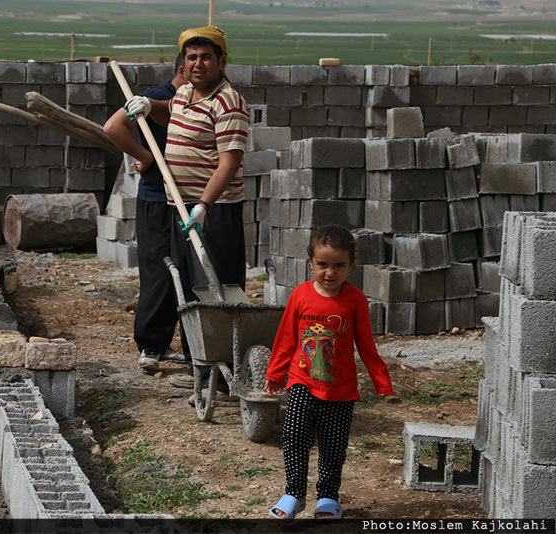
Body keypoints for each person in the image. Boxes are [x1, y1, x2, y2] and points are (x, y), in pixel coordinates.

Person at [124, 25, 250, 398]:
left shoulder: (229, 103)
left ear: (221, 62)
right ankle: (202, 372)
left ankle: (226, 380)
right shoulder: (184, 93)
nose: (197, 63)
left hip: (213, 214)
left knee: (215, 293)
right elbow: (172, 110)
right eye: (191, 57)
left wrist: (204, 206)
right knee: (190, 296)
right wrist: (150, 106)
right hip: (181, 210)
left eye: (206, 57)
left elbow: (229, 163)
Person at [265, 224, 394, 520]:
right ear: (311, 262)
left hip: (341, 390)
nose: (329, 272)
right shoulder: (300, 296)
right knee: (294, 436)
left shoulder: (356, 300)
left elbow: (366, 346)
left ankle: (327, 498)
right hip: (302, 382)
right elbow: (286, 338)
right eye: (322, 264)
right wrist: (275, 374)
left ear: (352, 265)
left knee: (333, 447)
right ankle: (294, 494)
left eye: (339, 265)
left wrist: (382, 384)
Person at [104, 54, 186, 373]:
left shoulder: (196, 102)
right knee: (158, 271)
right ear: (182, 70)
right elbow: (113, 127)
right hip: (157, 198)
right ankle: (150, 345)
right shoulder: (157, 98)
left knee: (180, 273)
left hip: (185, 197)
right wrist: (147, 157)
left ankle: (165, 344)